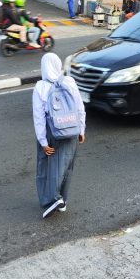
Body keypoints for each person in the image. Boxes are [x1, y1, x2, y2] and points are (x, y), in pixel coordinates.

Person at [32, 53, 86, 219]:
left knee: (46, 166)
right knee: (66, 166)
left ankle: (51, 200)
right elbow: (79, 107)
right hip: (71, 128)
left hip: (52, 132)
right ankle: (62, 199)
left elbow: (39, 117)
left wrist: (42, 141)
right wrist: (81, 129)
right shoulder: (69, 81)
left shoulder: (40, 87)